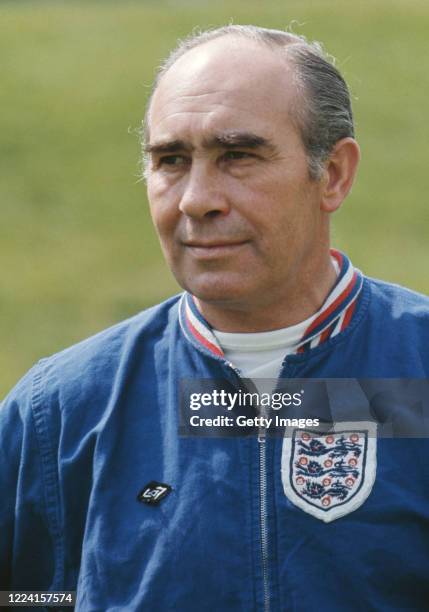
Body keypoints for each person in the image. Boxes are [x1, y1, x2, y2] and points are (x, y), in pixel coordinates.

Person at [1, 24, 429, 611]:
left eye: (239, 156)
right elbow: (23, 598)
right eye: (171, 160)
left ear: (331, 175)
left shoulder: (418, 369)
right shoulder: (62, 411)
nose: (196, 199)